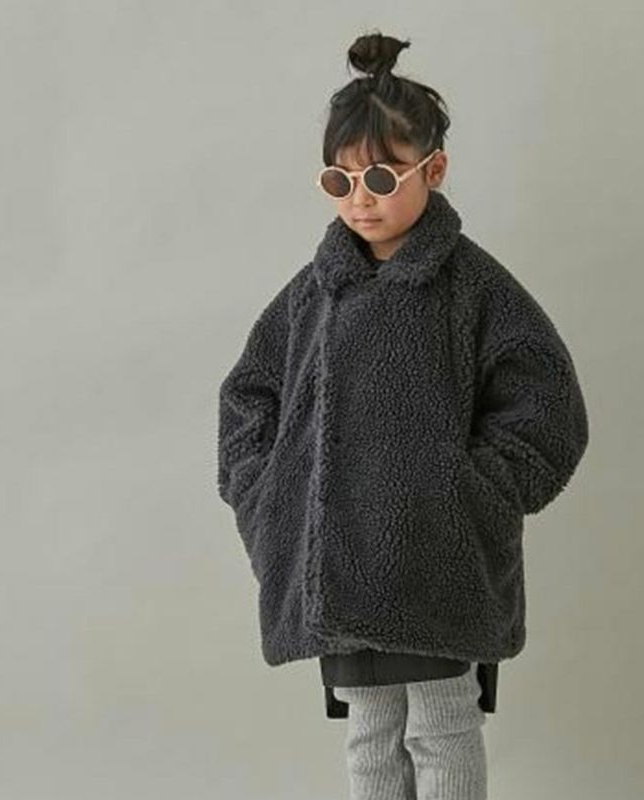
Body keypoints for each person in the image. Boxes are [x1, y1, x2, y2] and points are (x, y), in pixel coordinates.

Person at [217, 30, 589, 800]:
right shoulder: (313, 294)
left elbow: (546, 400)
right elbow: (249, 394)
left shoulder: (472, 288)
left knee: (443, 725)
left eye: (383, 177)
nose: (361, 198)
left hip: (436, 564)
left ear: (434, 170)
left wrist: (476, 494)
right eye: (340, 179)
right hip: (338, 570)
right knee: (370, 732)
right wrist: (267, 495)